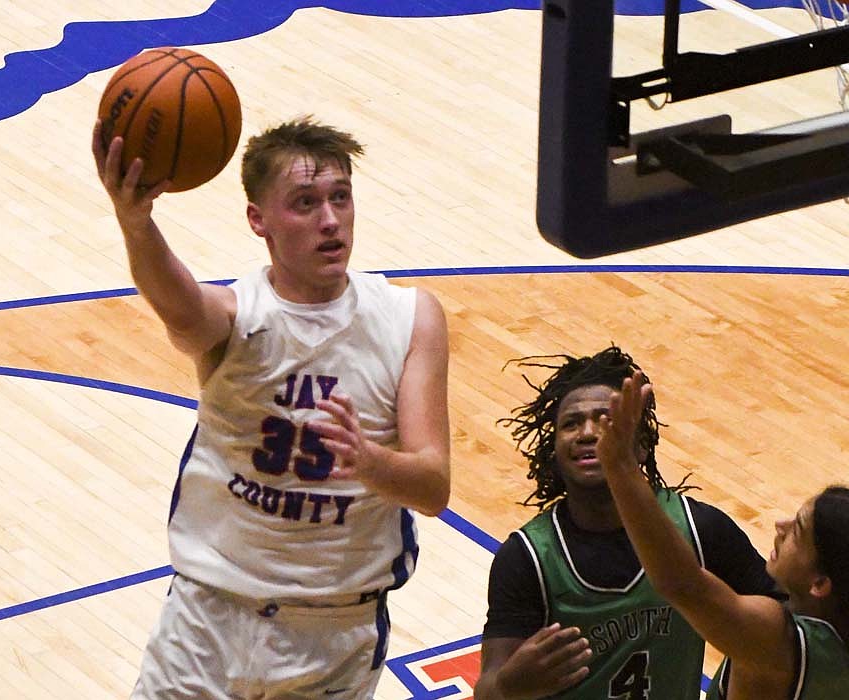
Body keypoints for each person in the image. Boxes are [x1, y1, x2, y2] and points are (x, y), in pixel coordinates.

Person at [91, 116, 451, 699]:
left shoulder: (409, 318)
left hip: (332, 635)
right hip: (209, 620)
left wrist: (367, 461)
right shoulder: (239, 317)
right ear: (259, 220)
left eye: (340, 197)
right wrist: (136, 222)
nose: (330, 220)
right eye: (304, 203)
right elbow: (181, 306)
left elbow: (433, 486)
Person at [474, 345, 782, 700]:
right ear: (555, 452)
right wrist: (509, 686)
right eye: (571, 423)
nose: (587, 433)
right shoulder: (527, 557)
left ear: (641, 445)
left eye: (606, 420)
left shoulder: (700, 529)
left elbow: (789, 630)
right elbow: (487, 690)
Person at [596, 370, 849, 699]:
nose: (781, 526)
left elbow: (683, 585)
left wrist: (621, 468)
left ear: (820, 584)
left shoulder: (776, 643)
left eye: (798, 530)